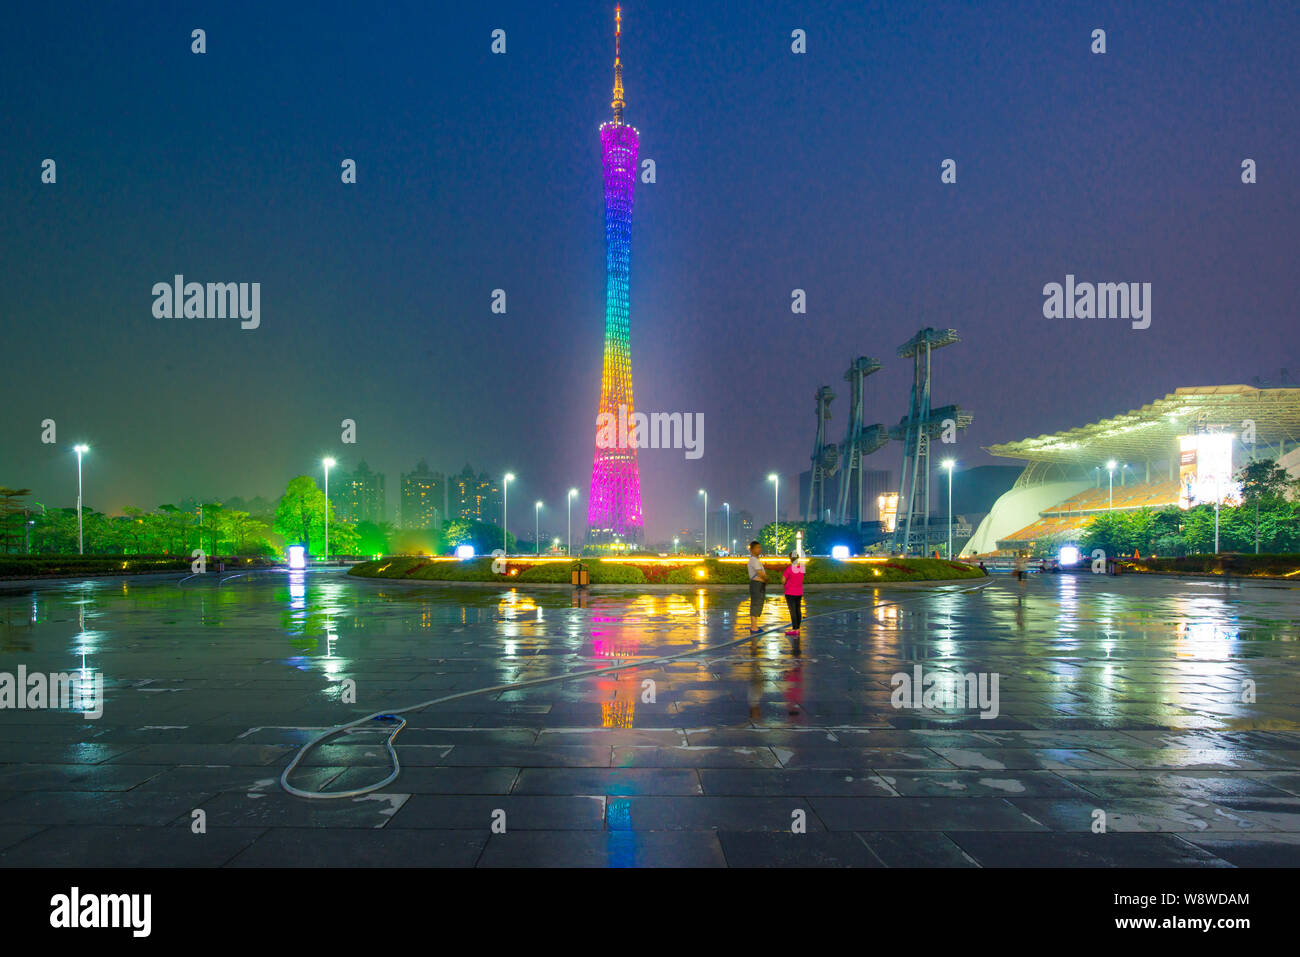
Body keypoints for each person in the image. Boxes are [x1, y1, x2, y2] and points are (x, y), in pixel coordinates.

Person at [782, 551, 805, 636]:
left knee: (793, 611)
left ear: (790, 559)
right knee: (798, 610)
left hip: (790, 592)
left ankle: (794, 629)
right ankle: (798, 628)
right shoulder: (802, 568)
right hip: (799, 592)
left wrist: (785, 584)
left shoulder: (789, 569)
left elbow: (783, 580)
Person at [746, 540, 767, 633]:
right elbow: (759, 573)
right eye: (757, 547)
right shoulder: (753, 560)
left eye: (760, 547)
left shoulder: (755, 560)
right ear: (752, 549)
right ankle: (754, 627)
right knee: (756, 603)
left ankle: (754, 626)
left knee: (757, 603)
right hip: (756, 585)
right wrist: (766, 578)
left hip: (758, 584)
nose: (760, 549)